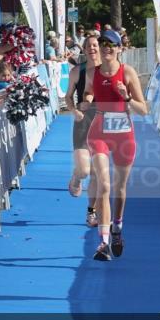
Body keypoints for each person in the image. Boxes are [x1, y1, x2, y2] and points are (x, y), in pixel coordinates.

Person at [79, 29, 148, 261]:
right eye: (103, 44)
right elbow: (88, 91)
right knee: (104, 185)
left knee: (119, 188)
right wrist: (87, 101)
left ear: (119, 49)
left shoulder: (127, 72)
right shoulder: (92, 72)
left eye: (111, 45)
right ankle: (104, 242)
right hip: (99, 132)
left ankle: (117, 227)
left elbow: (143, 110)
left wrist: (126, 97)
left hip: (124, 135)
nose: (106, 48)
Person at [66, 33, 100, 226]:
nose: (92, 48)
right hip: (83, 121)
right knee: (84, 170)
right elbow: (68, 96)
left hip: (103, 124)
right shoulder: (77, 71)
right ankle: (76, 177)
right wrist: (73, 110)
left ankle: (91, 213)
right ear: (84, 49)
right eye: (89, 46)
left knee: (97, 173)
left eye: (96, 45)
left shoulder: (110, 70)